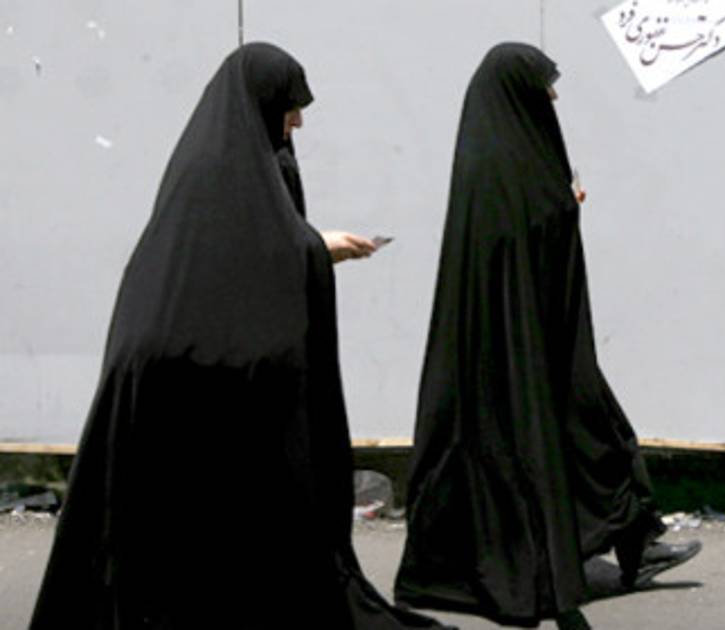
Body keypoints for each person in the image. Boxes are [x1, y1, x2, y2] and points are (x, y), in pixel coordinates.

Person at [28, 43, 451, 630]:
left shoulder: (225, 163)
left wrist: (311, 246)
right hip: (183, 371)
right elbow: (243, 262)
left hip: (182, 366)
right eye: (290, 107)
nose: (297, 121)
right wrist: (317, 249)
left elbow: (251, 257)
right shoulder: (218, 170)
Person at [394, 43, 701, 629]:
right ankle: (625, 547)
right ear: (518, 92)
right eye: (545, 86)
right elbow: (528, 234)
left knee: (594, 435)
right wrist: (564, 207)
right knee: (588, 436)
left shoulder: (490, 161)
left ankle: (637, 544)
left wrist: (561, 206)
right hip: (526, 353)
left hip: (529, 346)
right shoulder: (507, 170)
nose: (553, 97)